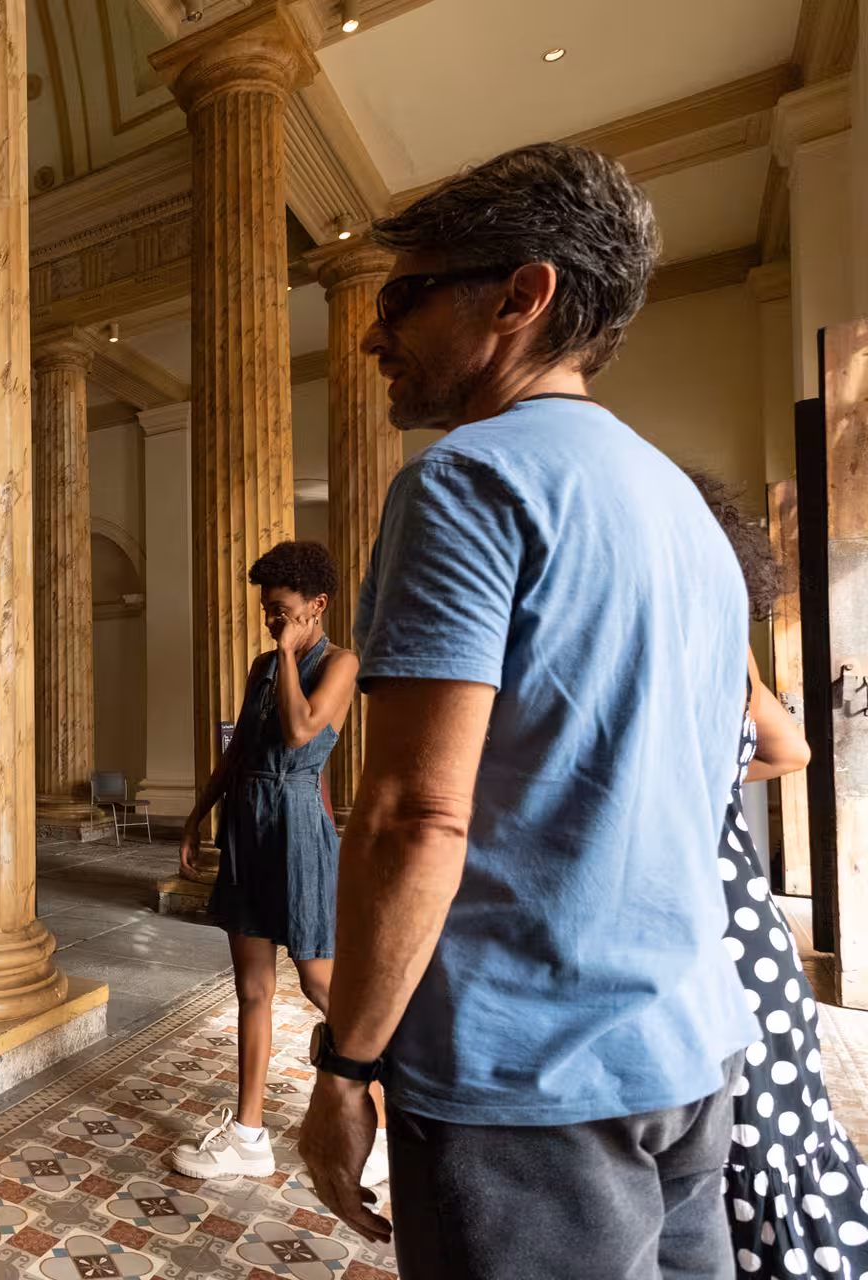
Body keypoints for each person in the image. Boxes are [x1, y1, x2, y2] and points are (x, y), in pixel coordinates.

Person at [296, 141, 757, 1280]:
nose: (368, 335)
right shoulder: (687, 514)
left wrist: (345, 1068)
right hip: (691, 1051)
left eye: (400, 298)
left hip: (529, 1081)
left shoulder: (468, 479)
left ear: (522, 293)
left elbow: (414, 813)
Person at [691, 470, 868, 1274]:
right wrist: (719, 780)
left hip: (689, 933)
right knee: (773, 1154)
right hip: (750, 937)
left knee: (698, 1177)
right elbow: (789, 748)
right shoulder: (726, 650)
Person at [167, 541, 381, 1185]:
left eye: (282, 612)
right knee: (252, 988)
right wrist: (198, 813)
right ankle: (247, 1135)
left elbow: (297, 732)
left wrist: (289, 654)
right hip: (247, 825)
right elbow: (239, 753)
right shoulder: (263, 664)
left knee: (322, 986)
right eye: (267, 613)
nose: (271, 623)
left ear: (317, 605)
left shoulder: (340, 663)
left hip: (296, 828)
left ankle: (381, 1130)